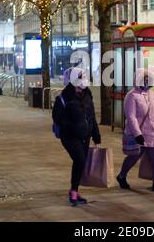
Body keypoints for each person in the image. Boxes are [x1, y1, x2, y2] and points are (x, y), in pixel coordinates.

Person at [52, 67, 101, 206]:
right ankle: (74, 191)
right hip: (70, 136)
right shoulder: (64, 97)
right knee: (79, 159)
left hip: (85, 135)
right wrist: (70, 126)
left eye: (83, 86)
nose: (81, 89)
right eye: (79, 86)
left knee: (81, 162)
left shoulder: (87, 94)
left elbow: (91, 116)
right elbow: (57, 117)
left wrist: (96, 134)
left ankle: (74, 190)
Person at [116, 68, 154, 193]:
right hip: (140, 133)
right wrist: (137, 133)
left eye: (147, 79)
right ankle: (121, 176)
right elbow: (131, 116)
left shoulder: (152, 93)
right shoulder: (132, 96)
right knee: (134, 156)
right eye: (143, 79)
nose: (146, 82)